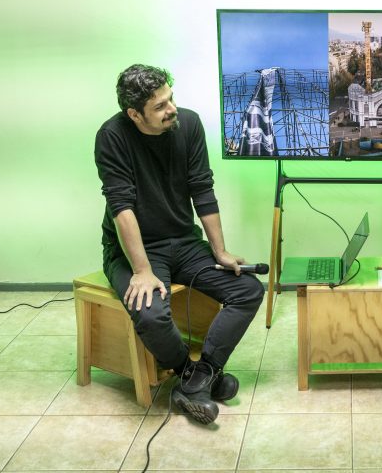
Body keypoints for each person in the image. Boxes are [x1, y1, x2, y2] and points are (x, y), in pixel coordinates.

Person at [95, 64, 264, 425]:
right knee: (151, 312)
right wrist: (141, 270)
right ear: (134, 114)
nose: (171, 109)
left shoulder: (188, 123)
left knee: (248, 289)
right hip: (135, 249)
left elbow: (202, 188)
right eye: (159, 106)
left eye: (170, 98)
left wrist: (219, 250)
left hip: (184, 242)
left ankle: (204, 374)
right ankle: (187, 373)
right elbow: (120, 206)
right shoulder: (112, 136)